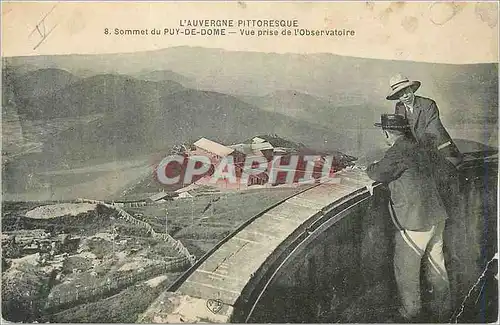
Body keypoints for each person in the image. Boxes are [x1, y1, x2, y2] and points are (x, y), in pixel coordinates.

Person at [366, 114, 451, 322]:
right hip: (436, 215)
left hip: (415, 221)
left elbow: (378, 173)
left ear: (387, 133)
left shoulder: (397, 151)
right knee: (437, 267)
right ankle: (445, 311)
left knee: (407, 272)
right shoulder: (418, 146)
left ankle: (410, 314)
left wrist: (369, 167)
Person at [386, 74, 463, 167]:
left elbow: (434, 131)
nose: (405, 96)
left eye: (406, 91)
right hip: (417, 151)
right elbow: (401, 130)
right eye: (400, 94)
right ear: (397, 96)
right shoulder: (399, 107)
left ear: (411, 89)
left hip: (439, 149)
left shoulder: (428, 104)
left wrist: (416, 152)